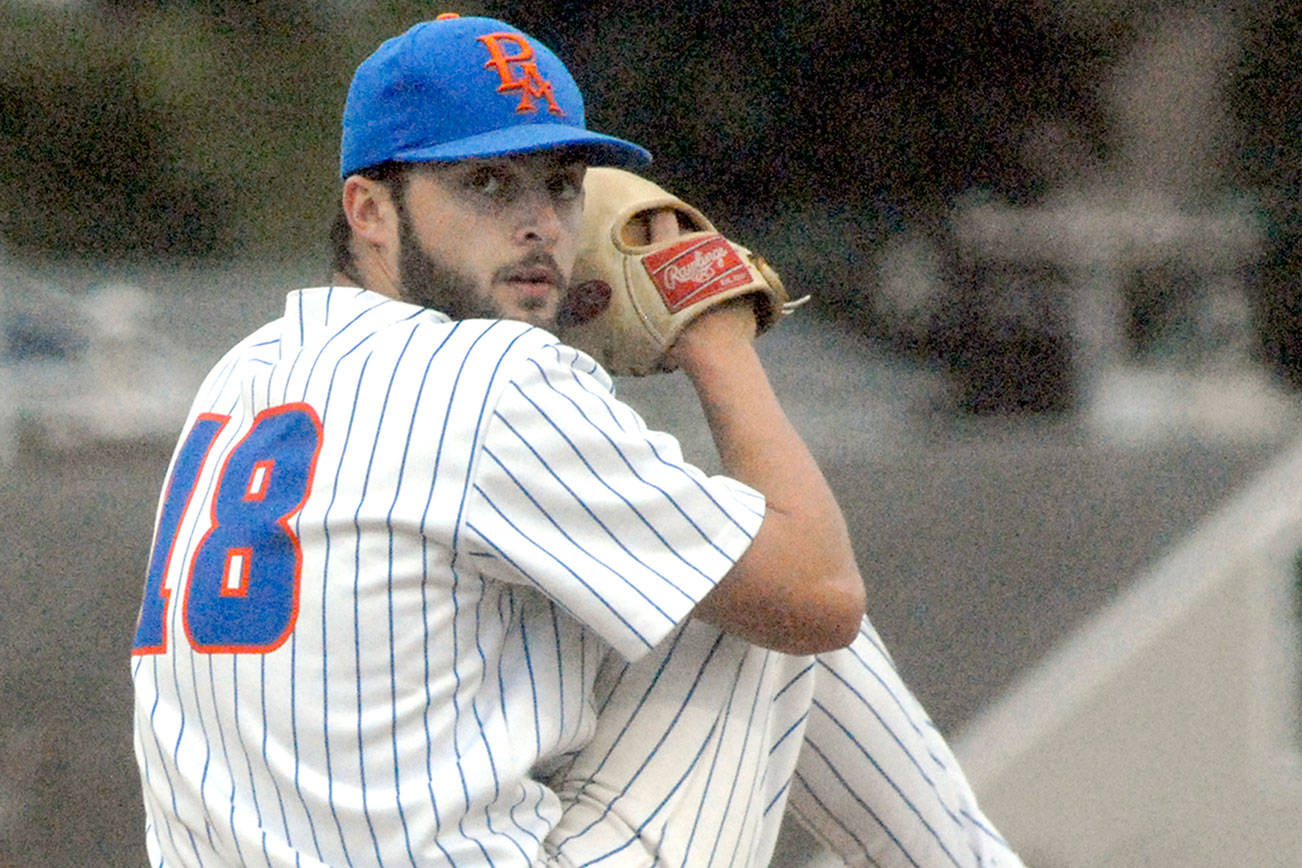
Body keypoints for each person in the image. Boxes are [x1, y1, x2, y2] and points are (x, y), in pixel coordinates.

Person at [131, 14, 1023, 867]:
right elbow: (821, 593)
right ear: (369, 209)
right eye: (486, 182)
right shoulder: (492, 377)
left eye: (559, 183)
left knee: (697, 564)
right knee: (758, 592)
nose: (542, 224)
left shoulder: (246, 372)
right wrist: (714, 335)